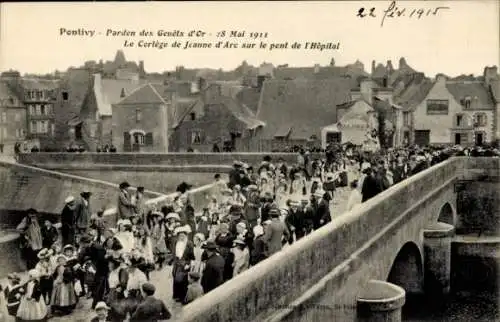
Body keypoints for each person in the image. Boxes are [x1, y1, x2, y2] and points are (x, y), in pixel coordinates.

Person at [171, 225, 194, 302]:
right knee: (176, 280)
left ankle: (184, 297)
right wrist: (175, 261)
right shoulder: (176, 243)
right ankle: (177, 296)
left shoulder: (189, 243)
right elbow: (174, 254)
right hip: (177, 264)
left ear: (185, 235)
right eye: (180, 235)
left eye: (183, 235)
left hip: (185, 264)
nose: (181, 237)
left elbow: (192, 256)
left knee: (184, 281)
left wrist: (188, 263)